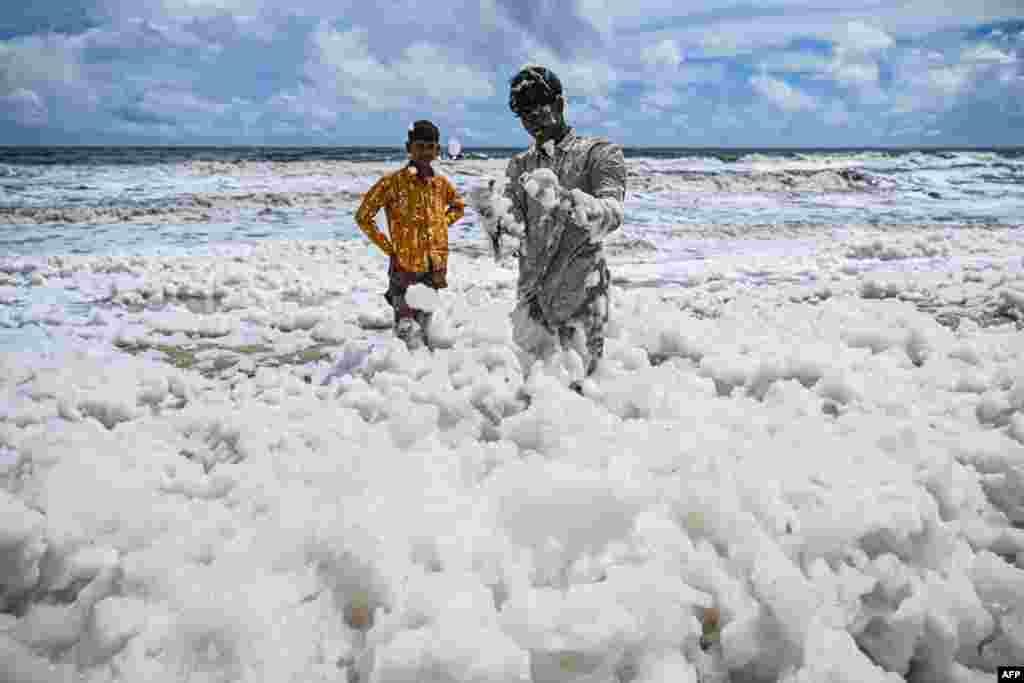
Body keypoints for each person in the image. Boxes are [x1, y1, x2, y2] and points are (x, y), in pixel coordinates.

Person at [471, 65, 626, 388]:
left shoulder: (599, 154)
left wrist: (574, 203)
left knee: (584, 395)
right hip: (531, 304)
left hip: (581, 299)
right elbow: (512, 236)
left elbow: (611, 213)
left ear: (559, 105)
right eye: (523, 114)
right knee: (536, 402)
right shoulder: (520, 165)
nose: (531, 121)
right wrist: (493, 217)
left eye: (537, 110)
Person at [355, 120, 465, 349]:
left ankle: (424, 379)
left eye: (431, 147)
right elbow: (363, 216)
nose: (425, 152)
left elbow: (458, 207)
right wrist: (388, 247)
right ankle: (399, 377)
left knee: (424, 329)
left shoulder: (440, 184)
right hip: (403, 266)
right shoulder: (392, 183)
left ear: (437, 150)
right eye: (420, 146)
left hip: (433, 266)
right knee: (406, 332)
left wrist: (441, 224)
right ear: (409, 147)